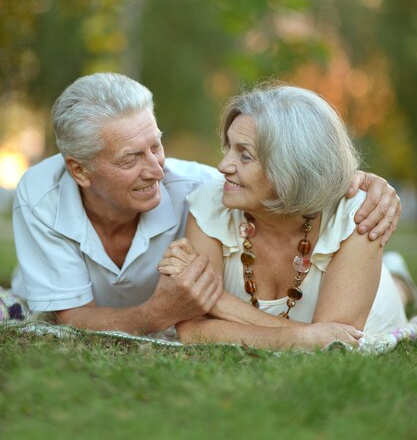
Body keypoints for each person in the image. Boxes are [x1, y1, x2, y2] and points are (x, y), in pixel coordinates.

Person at [11, 73, 401, 344]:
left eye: (156, 145)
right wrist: (161, 313)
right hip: (96, 305)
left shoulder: (200, 186)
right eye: (131, 158)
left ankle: (399, 280)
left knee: (389, 289)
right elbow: (78, 319)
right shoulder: (42, 197)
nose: (157, 169)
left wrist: (366, 182)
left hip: (358, 289)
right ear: (79, 169)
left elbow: (339, 337)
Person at [157, 83, 414, 350]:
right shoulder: (211, 202)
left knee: (392, 291)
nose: (223, 166)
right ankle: (396, 275)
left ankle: (398, 284)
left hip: (377, 309)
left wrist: (218, 302)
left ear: (291, 168)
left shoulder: (358, 215)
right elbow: (191, 329)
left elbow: (336, 344)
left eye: (244, 156)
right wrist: (301, 338)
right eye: (228, 148)